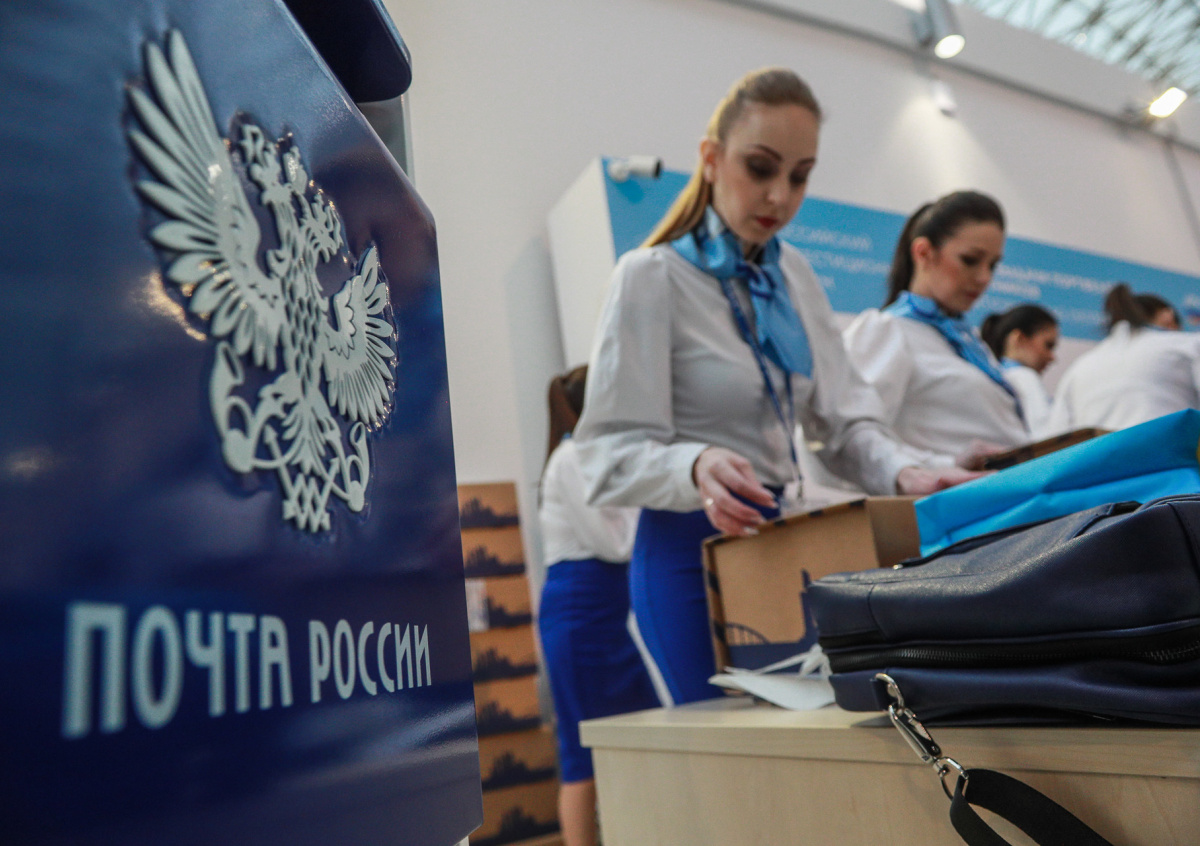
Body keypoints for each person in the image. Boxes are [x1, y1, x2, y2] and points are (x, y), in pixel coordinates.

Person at [572, 68, 980, 706]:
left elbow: (843, 423)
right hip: (689, 553)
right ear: (711, 159)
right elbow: (605, 455)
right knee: (732, 747)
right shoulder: (650, 277)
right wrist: (694, 463)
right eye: (759, 168)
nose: (780, 196)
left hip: (788, 539)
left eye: (800, 175)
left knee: (816, 734)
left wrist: (906, 472)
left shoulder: (796, 278)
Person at [537, 366, 660, 846]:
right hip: (580, 615)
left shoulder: (596, 456)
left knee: (639, 735)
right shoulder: (571, 458)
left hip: (608, 612)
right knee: (582, 758)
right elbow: (613, 543)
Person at [842, 191, 1028, 463]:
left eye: (993, 265)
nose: (984, 278)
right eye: (970, 260)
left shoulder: (969, 343)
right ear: (924, 253)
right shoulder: (888, 331)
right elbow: (847, 439)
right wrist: (943, 467)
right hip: (957, 489)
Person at [1048, 284, 1200, 432]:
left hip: (1100, 450)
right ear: (1168, 316)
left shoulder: (1078, 368)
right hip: (1171, 448)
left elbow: (1057, 436)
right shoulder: (1187, 345)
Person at [981, 304, 1060, 439]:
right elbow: (1046, 436)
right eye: (1048, 345)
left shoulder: (994, 376)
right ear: (1019, 339)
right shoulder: (1024, 377)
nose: (1052, 357)